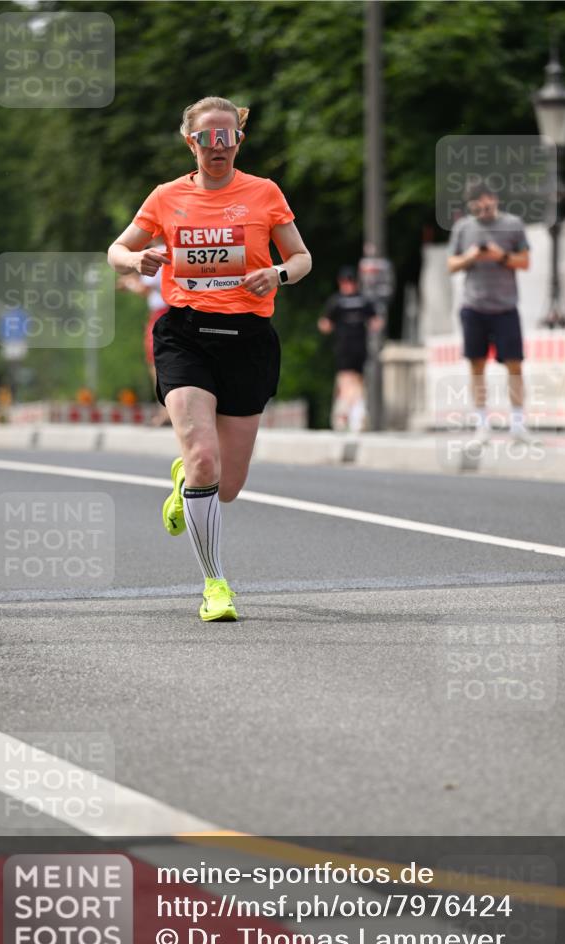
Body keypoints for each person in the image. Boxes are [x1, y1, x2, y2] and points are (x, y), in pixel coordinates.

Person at [108, 96, 311, 621]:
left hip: (247, 340)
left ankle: (187, 484)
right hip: (185, 334)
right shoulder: (166, 197)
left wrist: (278, 274)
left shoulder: (263, 193)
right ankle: (215, 585)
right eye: (206, 138)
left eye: (227, 138)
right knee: (203, 458)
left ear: (238, 141)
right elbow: (117, 250)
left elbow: (301, 257)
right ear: (189, 140)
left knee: (229, 486)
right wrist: (137, 257)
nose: (217, 148)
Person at [447, 180, 531, 446]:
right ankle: (482, 425)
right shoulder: (463, 228)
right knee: (476, 365)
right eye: (477, 206)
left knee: (515, 364)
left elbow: (525, 261)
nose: (483, 210)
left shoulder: (513, 225)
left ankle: (518, 424)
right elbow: (451, 263)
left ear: (494, 199)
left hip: (505, 306)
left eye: (486, 203)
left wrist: (500, 256)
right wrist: (471, 257)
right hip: (474, 306)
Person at [317, 267, 381, 432]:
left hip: (348, 346)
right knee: (351, 380)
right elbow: (376, 322)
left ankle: (345, 413)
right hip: (353, 346)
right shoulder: (364, 300)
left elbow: (325, 324)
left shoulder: (337, 301)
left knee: (350, 380)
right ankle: (355, 415)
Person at [116, 246, 171, 425]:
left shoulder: (158, 251)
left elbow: (144, 288)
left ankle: (166, 411)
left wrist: (129, 282)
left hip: (162, 313)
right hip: (179, 312)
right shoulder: (178, 247)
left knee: (156, 361)